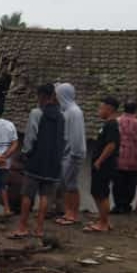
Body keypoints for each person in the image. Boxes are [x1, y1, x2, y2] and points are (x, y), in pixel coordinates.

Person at [9, 84, 65, 240]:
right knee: (45, 196)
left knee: (27, 194)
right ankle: (39, 229)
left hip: (36, 161)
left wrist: (25, 154)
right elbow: (62, 140)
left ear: (41, 96)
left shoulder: (36, 113)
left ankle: (22, 227)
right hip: (52, 163)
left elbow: (31, 137)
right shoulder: (61, 116)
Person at [84, 97, 121, 233]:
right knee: (97, 192)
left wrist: (99, 161)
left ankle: (103, 223)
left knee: (101, 193)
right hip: (101, 163)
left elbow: (111, 145)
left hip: (104, 164)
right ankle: (103, 219)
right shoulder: (107, 124)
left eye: (101, 108)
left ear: (109, 109)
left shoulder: (111, 125)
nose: (99, 111)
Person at [55, 83, 87, 226]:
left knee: (70, 186)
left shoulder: (74, 112)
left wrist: (74, 153)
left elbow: (76, 135)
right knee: (67, 185)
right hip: (66, 153)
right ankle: (68, 212)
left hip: (72, 154)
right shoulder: (67, 111)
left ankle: (72, 214)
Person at [112, 101, 137, 214]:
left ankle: (117, 205)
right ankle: (126, 205)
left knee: (117, 183)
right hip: (132, 157)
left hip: (119, 156)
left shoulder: (117, 121)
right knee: (130, 183)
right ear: (135, 110)